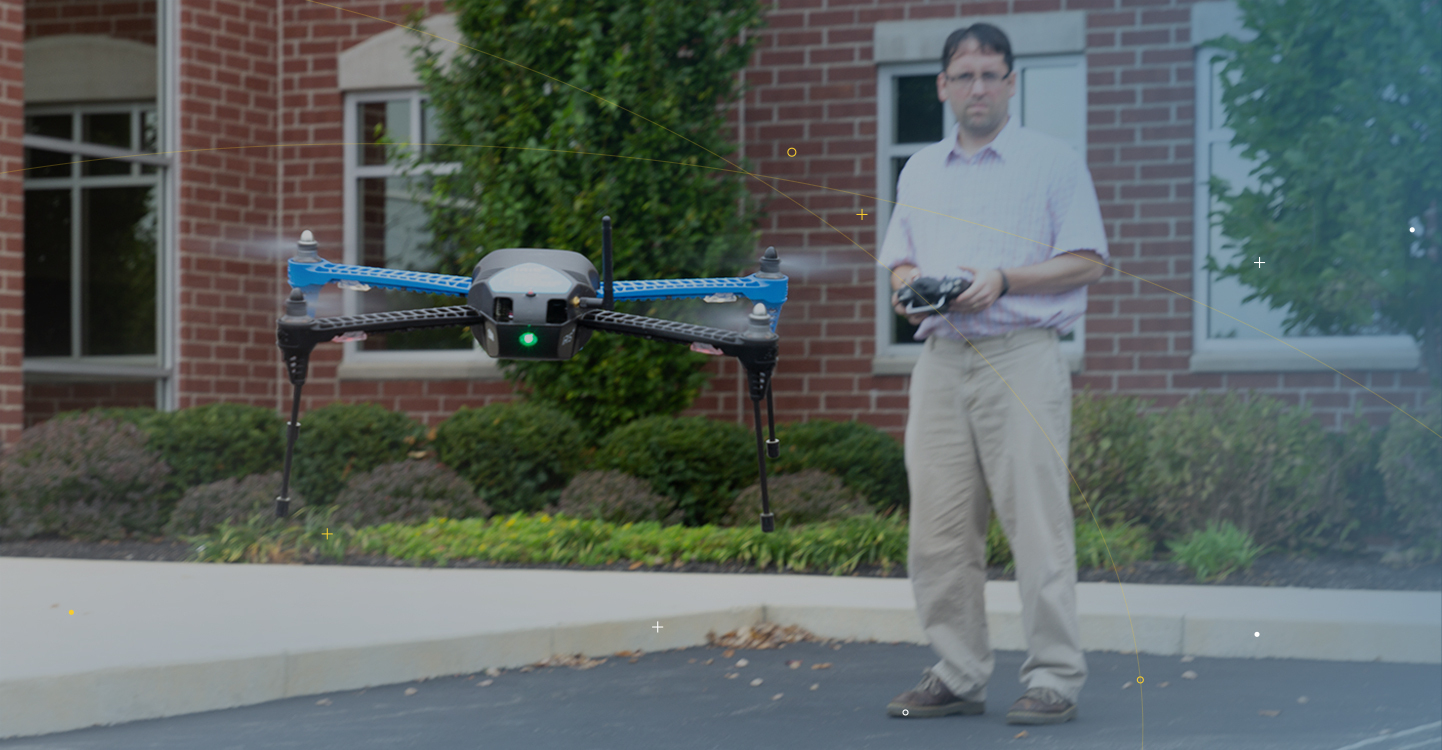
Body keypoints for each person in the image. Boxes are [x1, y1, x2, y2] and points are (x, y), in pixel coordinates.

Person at [877, 22, 1108, 726]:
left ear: (1010, 84)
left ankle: (1055, 678)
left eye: (990, 75)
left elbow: (1088, 260)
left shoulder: (1053, 162)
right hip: (942, 362)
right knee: (939, 531)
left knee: (1036, 525)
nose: (977, 87)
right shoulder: (920, 170)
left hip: (1021, 356)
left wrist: (1005, 279)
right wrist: (911, 288)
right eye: (963, 75)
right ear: (942, 86)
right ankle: (958, 672)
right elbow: (901, 261)